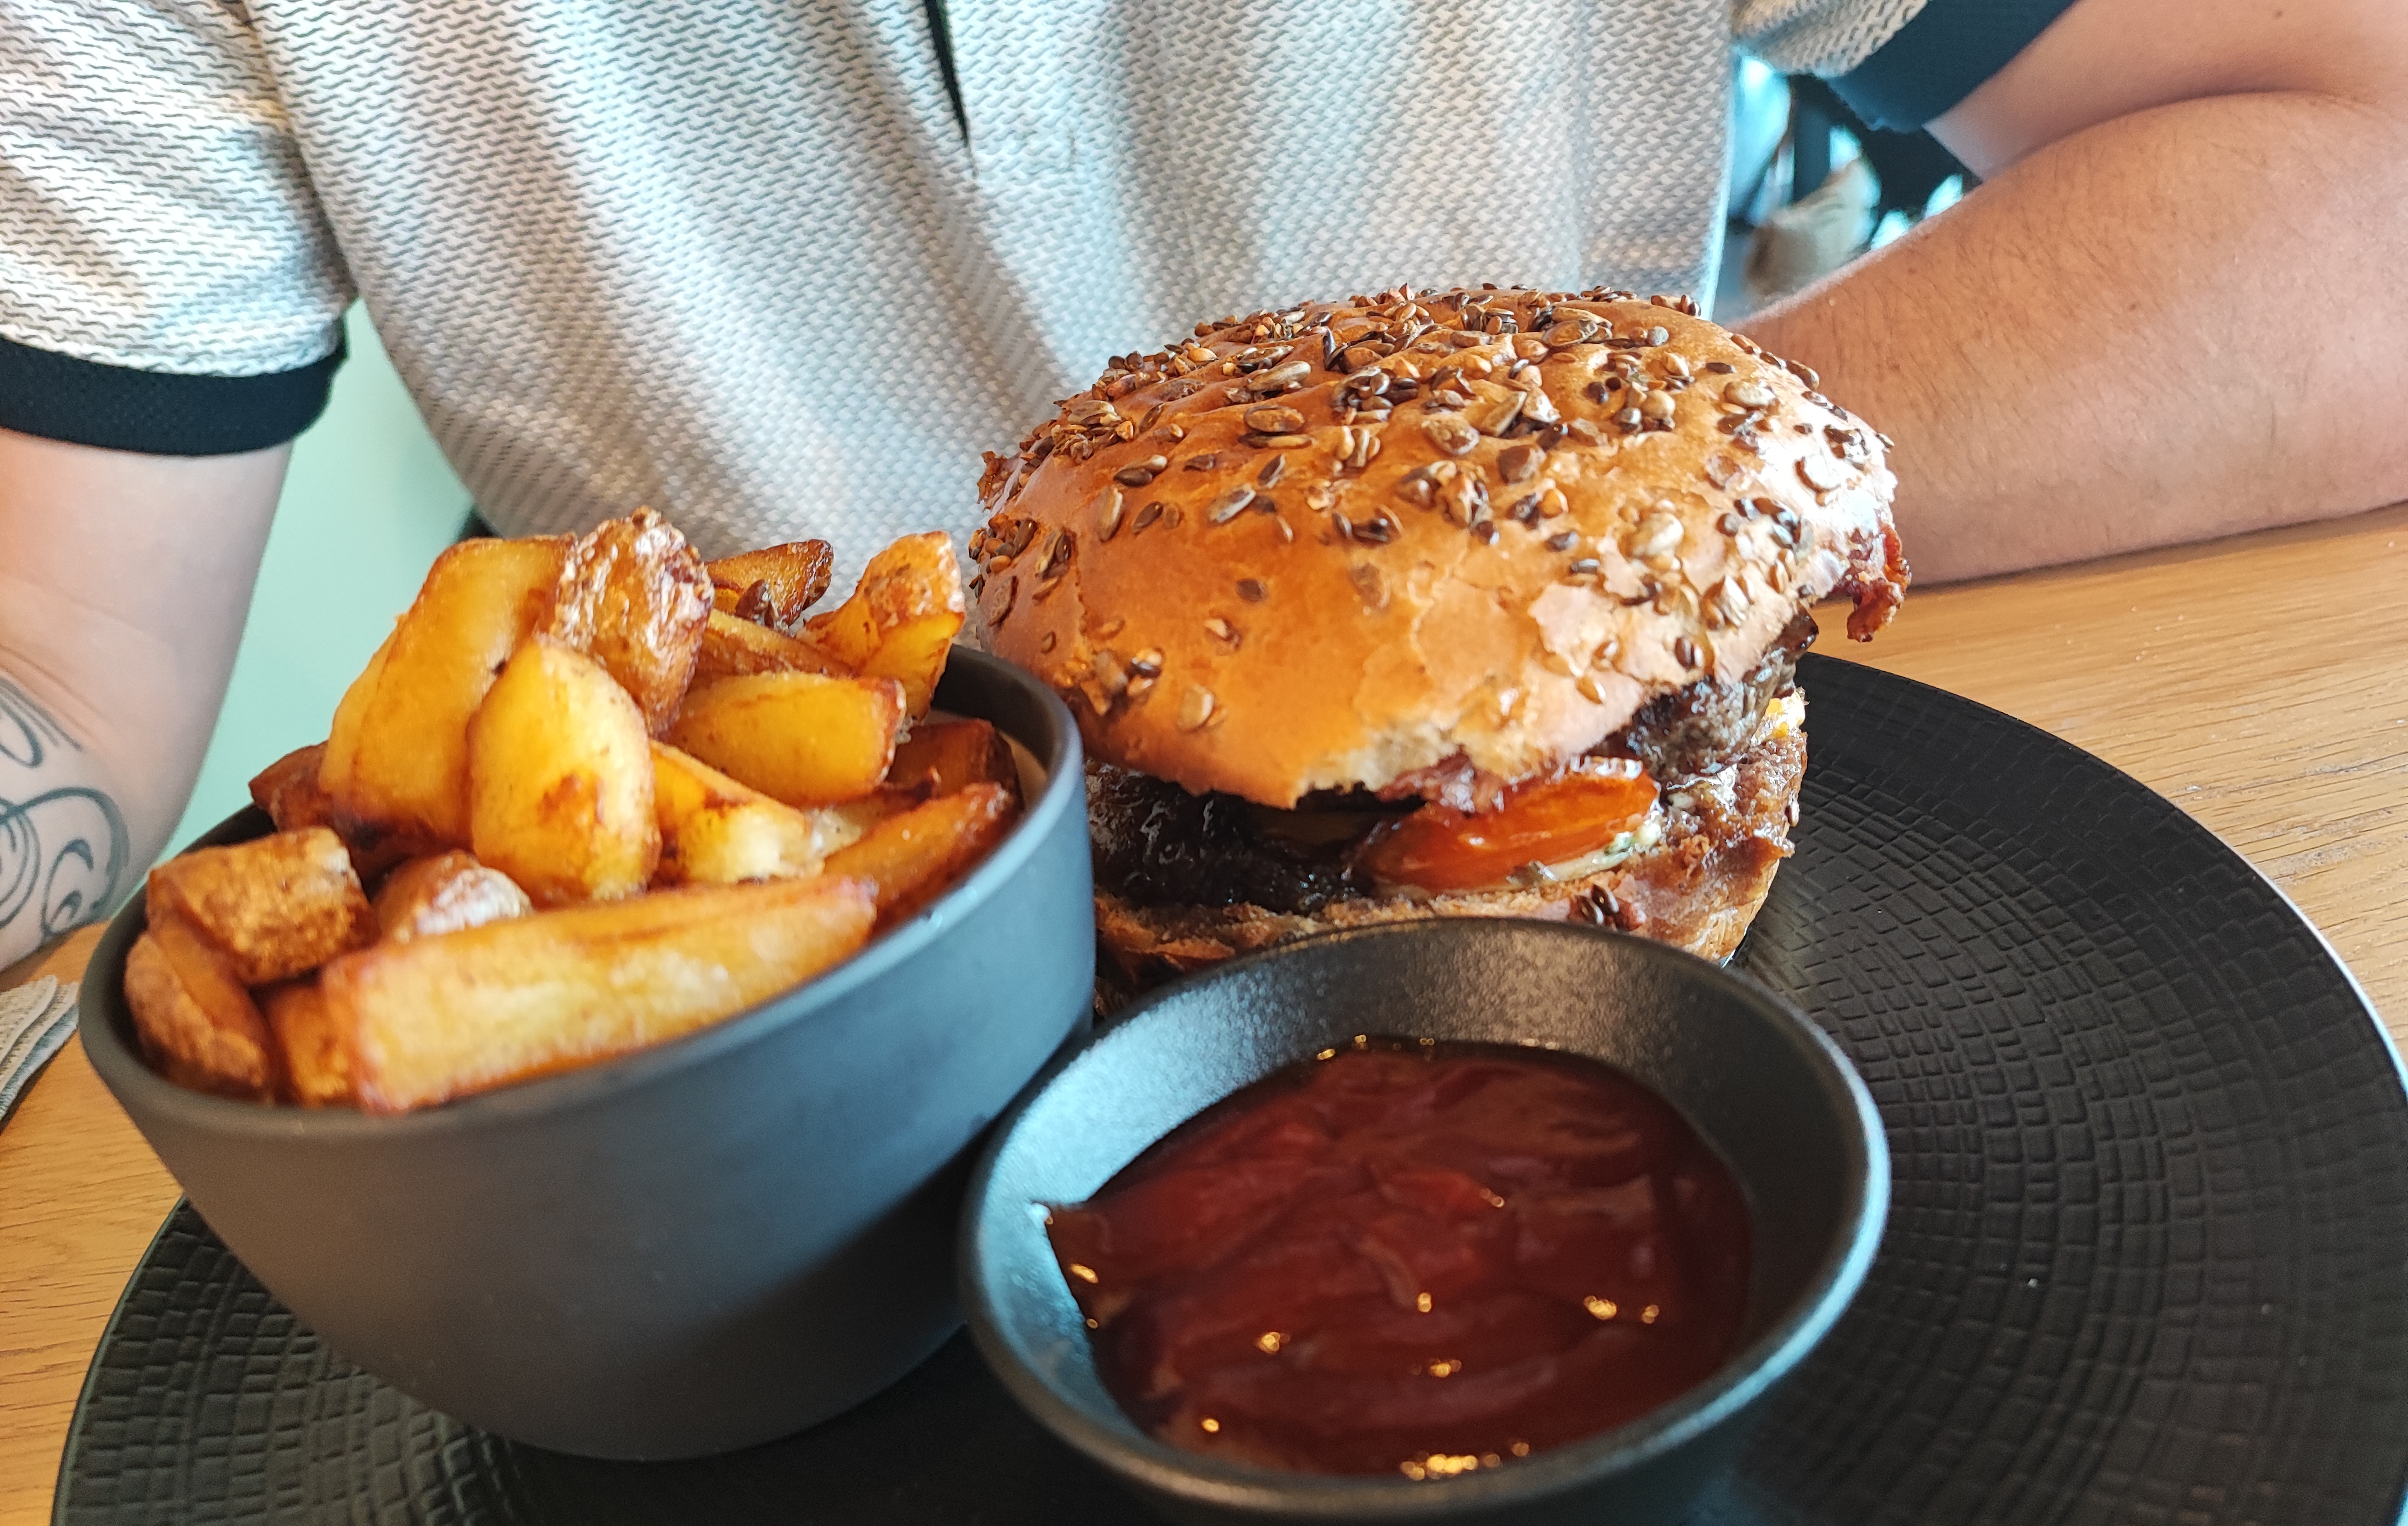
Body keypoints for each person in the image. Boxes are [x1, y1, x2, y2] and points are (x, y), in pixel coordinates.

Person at [2, 0, 2403, 970]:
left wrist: (1597, 557)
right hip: (781, 1020)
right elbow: (61, 679)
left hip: (1669, 948)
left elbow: (2361, 170)